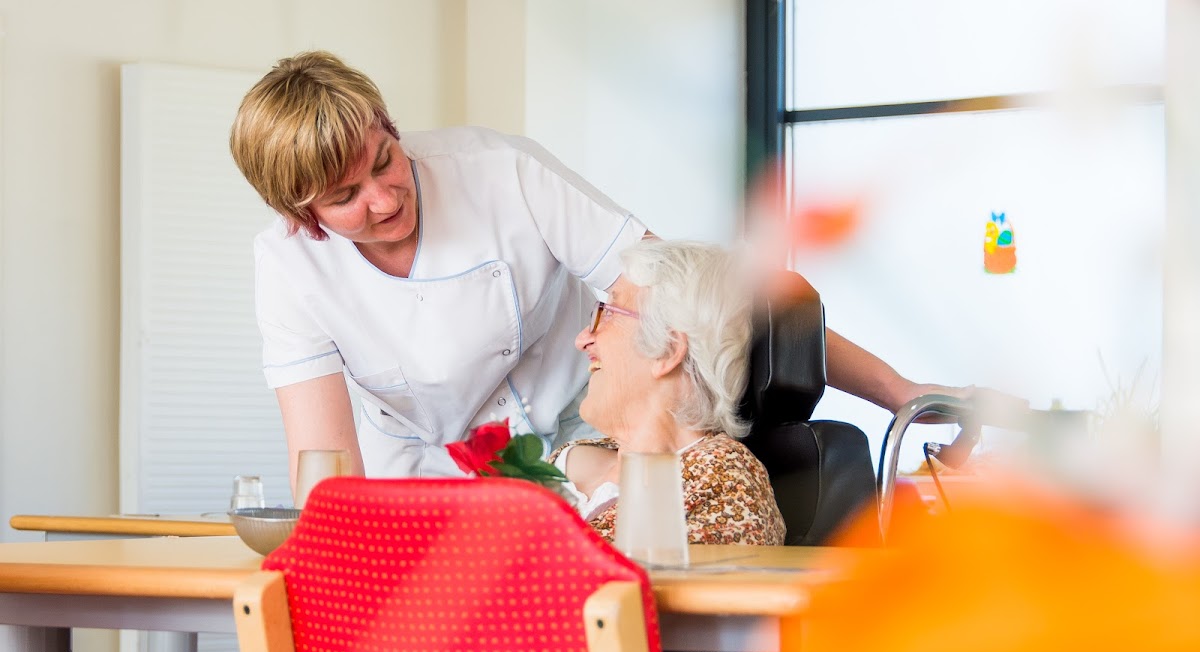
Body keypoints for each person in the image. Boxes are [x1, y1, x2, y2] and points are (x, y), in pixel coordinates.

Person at [230, 50, 970, 497]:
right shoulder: (290, 268)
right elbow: (324, 471)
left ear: (390, 126)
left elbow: (706, 301)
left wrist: (901, 392)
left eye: (385, 161)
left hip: (577, 446)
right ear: (299, 212)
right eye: (345, 198)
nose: (385, 198)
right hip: (417, 480)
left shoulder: (501, 175)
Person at [551, 238, 785, 547]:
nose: (583, 339)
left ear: (668, 350)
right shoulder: (570, 456)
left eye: (606, 313)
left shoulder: (725, 480)